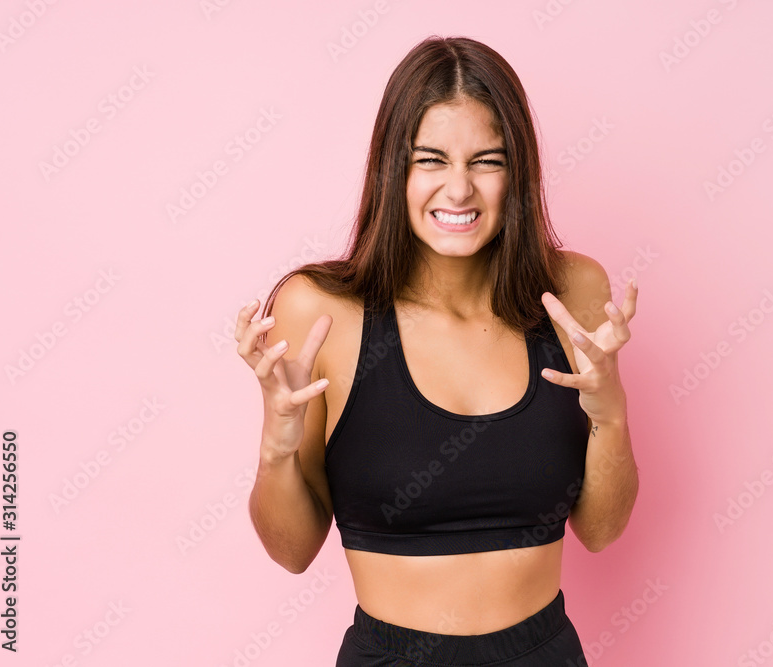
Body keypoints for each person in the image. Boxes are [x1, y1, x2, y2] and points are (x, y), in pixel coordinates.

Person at [235, 35, 639, 666]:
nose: (459, 191)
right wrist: (277, 444)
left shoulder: (573, 293)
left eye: (487, 161)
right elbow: (293, 551)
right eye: (431, 160)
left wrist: (610, 413)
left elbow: (602, 529)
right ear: (392, 168)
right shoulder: (319, 310)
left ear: (519, 173)